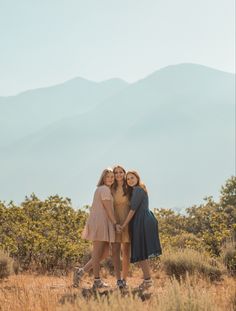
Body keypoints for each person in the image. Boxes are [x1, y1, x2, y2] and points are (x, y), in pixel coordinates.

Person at [73, 168, 121, 289]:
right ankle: (97, 281)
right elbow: (108, 209)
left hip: (102, 222)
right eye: (107, 177)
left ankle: (80, 272)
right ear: (103, 178)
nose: (110, 179)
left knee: (104, 253)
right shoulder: (104, 189)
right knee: (97, 252)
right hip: (100, 223)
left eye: (112, 177)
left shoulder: (105, 189)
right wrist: (115, 223)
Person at [119, 170, 162, 290]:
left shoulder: (138, 190)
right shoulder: (137, 189)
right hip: (142, 220)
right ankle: (148, 280)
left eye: (132, 178)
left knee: (142, 252)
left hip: (142, 221)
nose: (130, 180)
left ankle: (148, 281)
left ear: (137, 178)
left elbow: (132, 210)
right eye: (128, 179)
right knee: (142, 252)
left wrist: (123, 225)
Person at [111, 165, 131, 289]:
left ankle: (125, 279)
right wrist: (114, 224)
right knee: (115, 252)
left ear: (124, 173)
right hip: (115, 222)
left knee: (126, 252)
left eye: (120, 172)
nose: (118, 174)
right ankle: (118, 279)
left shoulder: (129, 188)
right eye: (116, 172)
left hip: (128, 222)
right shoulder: (110, 188)